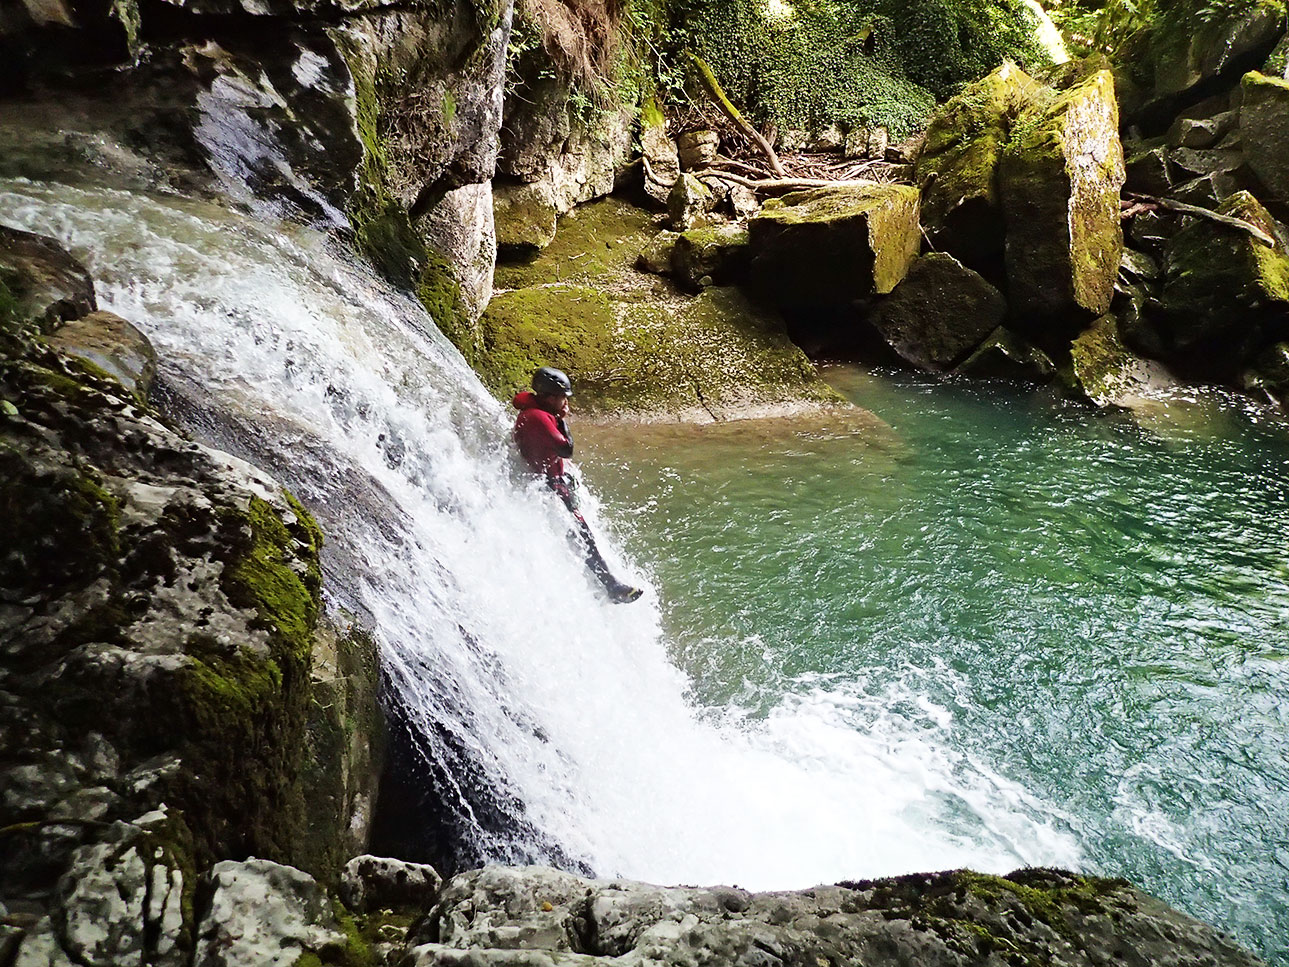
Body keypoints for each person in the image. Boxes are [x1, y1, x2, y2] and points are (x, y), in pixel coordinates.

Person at [513, 366, 642, 604]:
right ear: (551, 398)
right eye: (563, 398)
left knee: (580, 535)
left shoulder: (533, 412)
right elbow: (566, 449)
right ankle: (611, 587)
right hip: (549, 487)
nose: (565, 403)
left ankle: (604, 584)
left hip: (546, 484)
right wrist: (562, 422)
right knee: (583, 537)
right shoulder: (540, 417)